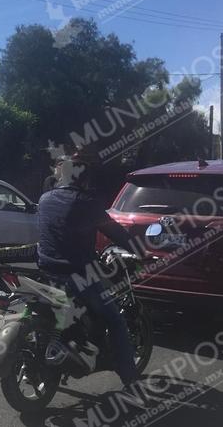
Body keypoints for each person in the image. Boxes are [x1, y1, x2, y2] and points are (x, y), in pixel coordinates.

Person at [37, 149, 145, 390]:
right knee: (116, 322)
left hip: (46, 272)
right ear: (83, 178)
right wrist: (141, 251)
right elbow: (115, 232)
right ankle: (131, 381)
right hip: (79, 276)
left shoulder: (45, 200)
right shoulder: (88, 203)